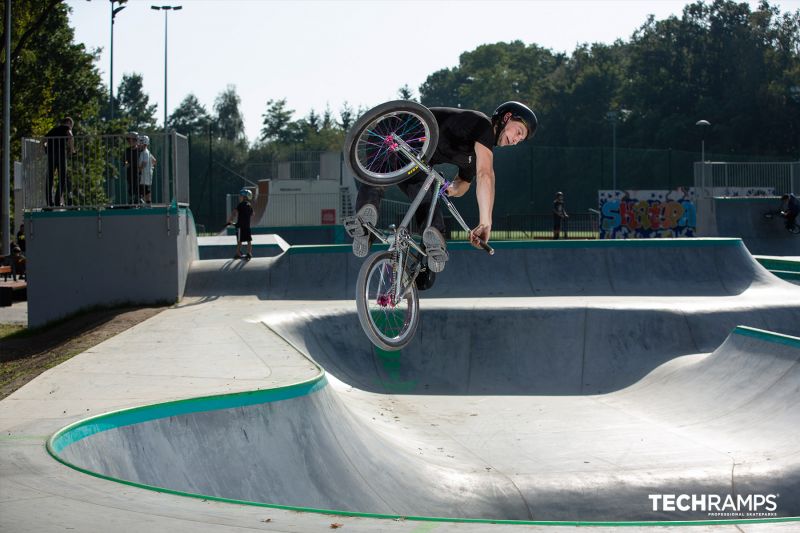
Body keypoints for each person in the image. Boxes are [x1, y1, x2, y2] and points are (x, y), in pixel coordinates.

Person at [344, 101, 538, 278]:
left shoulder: (474, 156)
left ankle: (431, 240)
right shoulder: (482, 124)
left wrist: (450, 189)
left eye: (521, 140)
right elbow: (485, 175)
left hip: (412, 161)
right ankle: (365, 220)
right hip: (392, 132)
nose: (516, 140)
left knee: (426, 194)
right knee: (379, 172)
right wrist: (485, 223)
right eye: (519, 132)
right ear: (506, 118)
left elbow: (464, 184)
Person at [43, 117, 75, 207]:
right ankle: (57, 201)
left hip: (51, 155)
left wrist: (46, 149)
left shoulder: (54, 129)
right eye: (71, 126)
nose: (71, 127)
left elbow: (43, 141)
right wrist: (72, 150)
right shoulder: (66, 128)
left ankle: (49, 203)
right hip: (61, 155)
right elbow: (70, 136)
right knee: (62, 177)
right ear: (68, 123)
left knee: (49, 179)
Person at [226, 188, 254, 260]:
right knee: (249, 240)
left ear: (244, 197)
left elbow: (234, 212)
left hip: (240, 226)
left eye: (240, 196)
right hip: (247, 226)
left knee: (239, 240)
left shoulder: (240, 205)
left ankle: (238, 253)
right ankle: (249, 253)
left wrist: (230, 220)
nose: (239, 198)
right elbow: (252, 214)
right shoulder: (249, 205)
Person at [137, 135, 157, 205]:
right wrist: (151, 167)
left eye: (140, 143)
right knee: (146, 190)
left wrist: (138, 170)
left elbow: (144, 163)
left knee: (144, 190)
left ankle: (147, 203)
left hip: (144, 176)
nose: (139, 145)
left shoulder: (144, 153)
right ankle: (147, 203)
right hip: (147, 175)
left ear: (144, 144)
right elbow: (154, 161)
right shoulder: (148, 152)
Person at [123, 131, 139, 204]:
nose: (130, 141)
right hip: (130, 172)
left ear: (135, 140)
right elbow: (125, 160)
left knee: (138, 187)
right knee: (131, 187)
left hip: (139, 171)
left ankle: (138, 201)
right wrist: (127, 164)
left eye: (131, 140)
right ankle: (131, 202)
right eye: (129, 140)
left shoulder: (140, 150)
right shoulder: (127, 150)